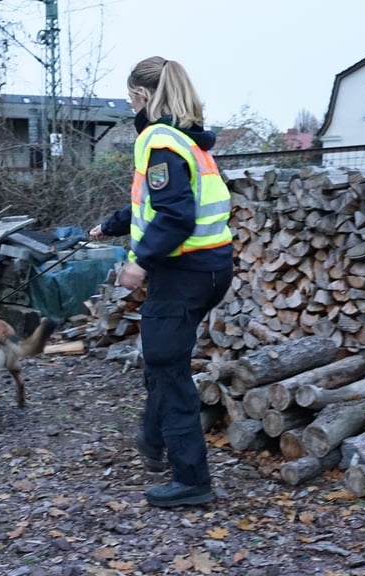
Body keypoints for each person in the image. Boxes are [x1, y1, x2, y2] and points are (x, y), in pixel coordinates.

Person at [89, 56, 233, 508]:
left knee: (169, 372)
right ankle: (152, 440)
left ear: (144, 96)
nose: (131, 107)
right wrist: (111, 225)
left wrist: (140, 261)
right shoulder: (189, 140)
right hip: (212, 269)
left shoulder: (158, 140)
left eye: (131, 98)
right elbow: (156, 201)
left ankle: (191, 480)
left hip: (183, 271)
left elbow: (174, 214)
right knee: (162, 357)